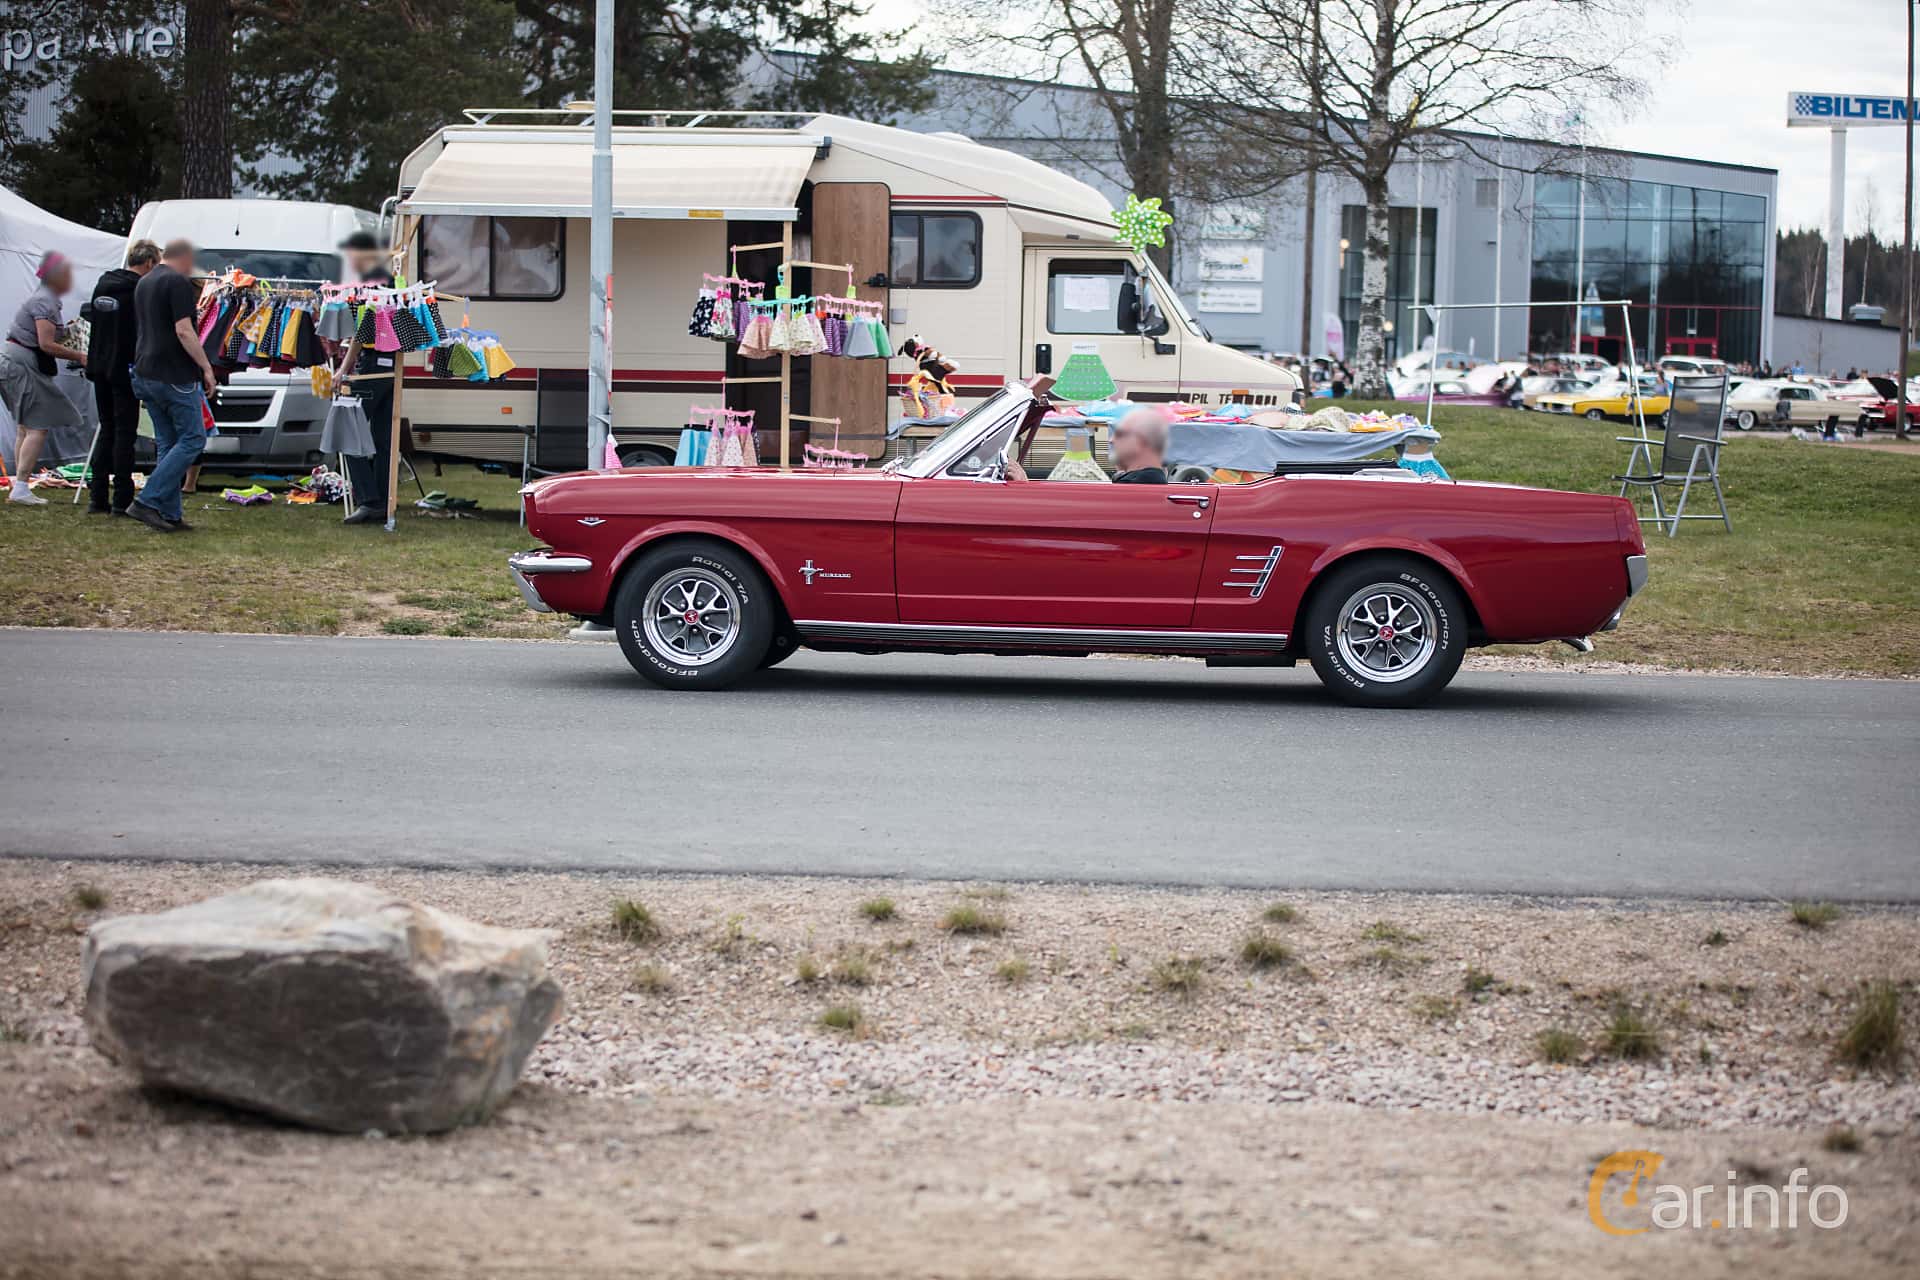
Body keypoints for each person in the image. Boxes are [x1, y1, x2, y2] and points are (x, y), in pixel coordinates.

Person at [127, 238, 217, 533]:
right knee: (193, 439)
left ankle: (169, 513)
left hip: (145, 371)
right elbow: (184, 330)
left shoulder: (144, 282)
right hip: (174, 374)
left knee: (167, 442)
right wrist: (206, 367)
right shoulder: (177, 283)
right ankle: (148, 501)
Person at [1, 250, 88, 505]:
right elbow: (46, 344)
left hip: (14, 365)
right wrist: (80, 356)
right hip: (22, 368)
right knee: (37, 427)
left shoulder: (44, 299)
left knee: (24, 427)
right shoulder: (45, 301)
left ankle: (20, 484)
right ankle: (20, 488)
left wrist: (68, 331)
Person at [82, 240, 160, 515]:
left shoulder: (103, 285)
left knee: (106, 428)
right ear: (149, 263)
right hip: (124, 368)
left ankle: (97, 496)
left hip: (99, 366)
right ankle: (122, 499)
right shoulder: (138, 290)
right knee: (125, 433)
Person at [335, 230, 396, 526]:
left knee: (349, 434)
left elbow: (362, 332)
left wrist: (344, 368)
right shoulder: (397, 282)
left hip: (372, 368)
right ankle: (384, 501)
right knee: (384, 439)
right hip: (393, 369)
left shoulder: (371, 285)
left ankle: (369, 500)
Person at [1107, 406, 1170, 484]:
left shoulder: (1139, 482)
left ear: (1142, 442)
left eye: (1120, 434)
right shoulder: (1149, 478)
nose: (1111, 440)